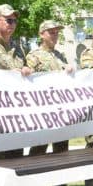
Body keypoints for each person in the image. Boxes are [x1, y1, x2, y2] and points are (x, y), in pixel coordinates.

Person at [0, 4, 32, 160]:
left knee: (16, 156)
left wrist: (26, 70)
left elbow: (26, 67)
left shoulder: (19, 47)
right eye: (8, 20)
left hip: (16, 113)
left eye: (14, 21)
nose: (12, 24)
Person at [26, 20, 75, 157]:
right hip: (43, 113)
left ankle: (61, 179)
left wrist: (70, 70)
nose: (55, 35)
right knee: (38, 152)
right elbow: (29, 81)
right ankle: (33, 178)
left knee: (62, 152)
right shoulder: (34, 55)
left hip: (61, 112)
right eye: (51, 32)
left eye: (56, 32)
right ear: (42, 34)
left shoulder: (60, 55)